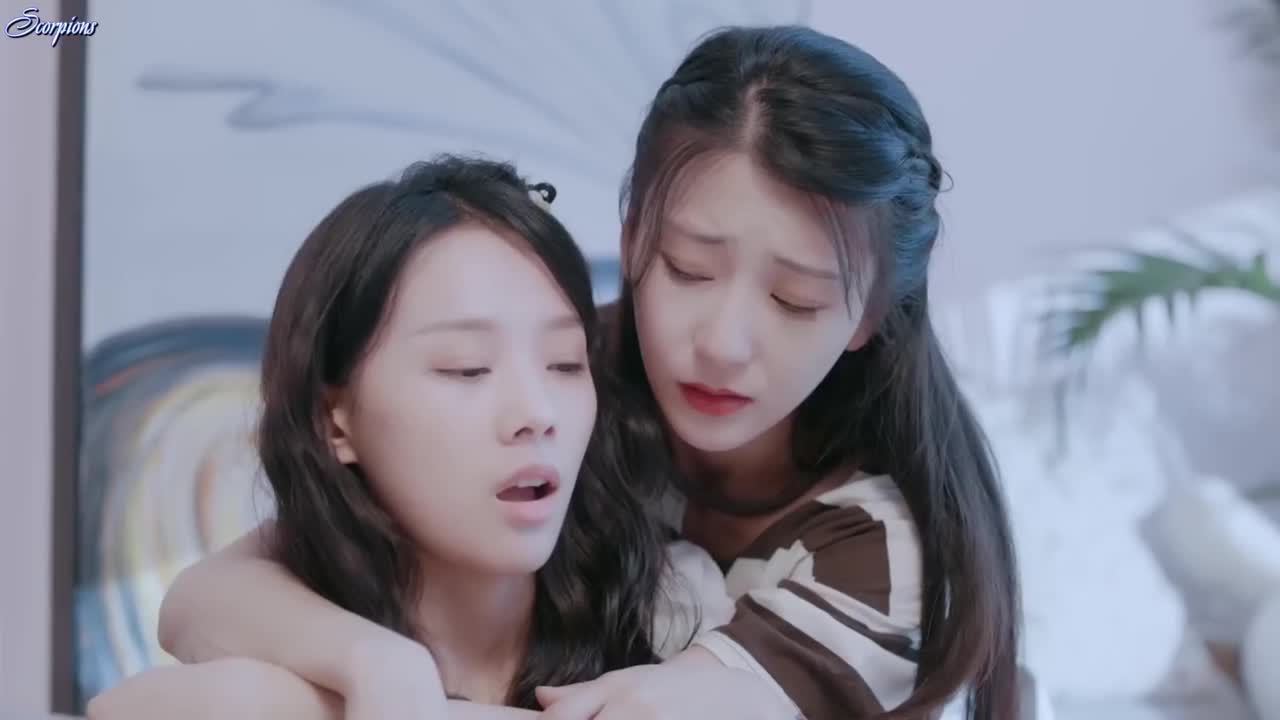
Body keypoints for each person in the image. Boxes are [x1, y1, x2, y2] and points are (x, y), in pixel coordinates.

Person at [112, 24, 1023, 720]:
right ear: (631, 237)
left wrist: (289, 703)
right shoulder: (564, 377)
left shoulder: (882, 548)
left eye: (795, 301)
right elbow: (209, 595)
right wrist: (377, 670)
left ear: (869, 316)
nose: (723, 343)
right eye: (688, 270)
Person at [88, 155, 750, 720]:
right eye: (467, 368)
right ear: (334, 421)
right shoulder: (273, 623)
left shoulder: (669, 607)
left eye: (565, 364)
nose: (537, 412)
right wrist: (372, 669)